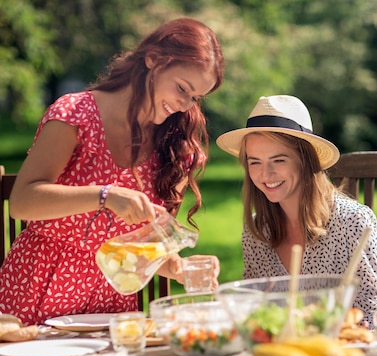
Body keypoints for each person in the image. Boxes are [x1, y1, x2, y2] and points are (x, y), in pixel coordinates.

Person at [0, 18, 223, 326]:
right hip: (35, 294)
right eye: (182, 88)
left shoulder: (176, 148)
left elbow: (146, 243)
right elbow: (23, 201)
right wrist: (104, 195)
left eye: (195, 97)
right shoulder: (75, 114)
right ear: (152, 60)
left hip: (111, 309)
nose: (185, 105)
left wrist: (174, 267)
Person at [216, 95, 377, 327]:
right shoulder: (257, 230)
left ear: (306, 160)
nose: (265, 174)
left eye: (278, 160)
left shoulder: (353, 223)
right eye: (254, 161)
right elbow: (254, 313)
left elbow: (375, 317)